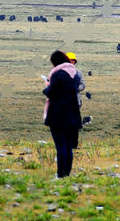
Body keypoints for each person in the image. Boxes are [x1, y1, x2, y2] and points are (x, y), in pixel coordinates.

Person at [42, 50, 82, 178]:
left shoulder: (58, 74)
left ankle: (60, 174)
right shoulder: (75, 74)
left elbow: (51, 92)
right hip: (73, 113)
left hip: (58, 114)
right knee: (68, 146)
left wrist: (47, 86)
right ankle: (67, 174)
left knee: (61, 146)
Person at [65, 52, 85, 149]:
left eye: (73, 61)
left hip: (76, 102)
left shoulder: (79, 73)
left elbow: (83, 85)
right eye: (69, 60)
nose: (71, 62)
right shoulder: (61, 73)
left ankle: (74, 145)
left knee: (75, 124)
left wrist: (75, 88)